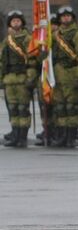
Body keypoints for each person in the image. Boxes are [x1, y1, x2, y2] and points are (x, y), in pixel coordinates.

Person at [47, 6, 78, 148]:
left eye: (68, 16)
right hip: (57, 75)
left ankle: (71, 137)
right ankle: (62, 135)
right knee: (60, 107)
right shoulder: (54, 35)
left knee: (72, 107)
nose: (65, 18)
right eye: (63, 16)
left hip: (72, 73)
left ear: (72, 18)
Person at [2, 10, 38, 148]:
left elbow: (32, 61)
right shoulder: (7, 40)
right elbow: (3, 61)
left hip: (23, 77)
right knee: (13, 109)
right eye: (13, 21)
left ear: (22, 23)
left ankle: (22, 137)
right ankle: (15, 135)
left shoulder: (28, 39)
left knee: (23, 109)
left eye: (18, 21)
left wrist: (30, 78)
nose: (16, 23)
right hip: (10, 79)